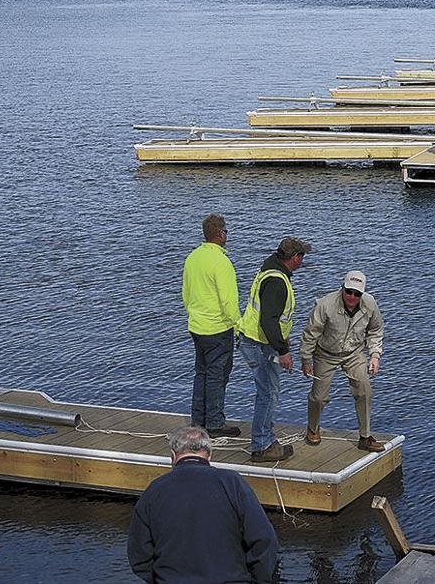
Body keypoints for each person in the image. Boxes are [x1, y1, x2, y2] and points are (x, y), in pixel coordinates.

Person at [127, 425, 278, 584]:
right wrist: (258, 579)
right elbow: (264, 539)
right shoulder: (232, 483)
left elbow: (139, 555)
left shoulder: (155, 490)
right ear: (209, 455)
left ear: (173, 455)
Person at [237, 236, 310, 463]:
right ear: (294, 258)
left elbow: (273, 317)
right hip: (259, 343)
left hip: (255, 339)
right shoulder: (277, 282)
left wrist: (282, 337)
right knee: (268, 393)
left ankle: (265, 440)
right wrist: (282, 351)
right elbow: (268, 320)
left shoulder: (270, 269)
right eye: (301, 257)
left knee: (267, 392)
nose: (302, 262)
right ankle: (262, 446)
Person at [299, 270, 386, 452]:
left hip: (353, 352)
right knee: (319, 397)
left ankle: (365, 437)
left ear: (362, 294)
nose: (352, 297)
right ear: (342, 288)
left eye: (357, 294)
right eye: (349, 292)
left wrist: (375, 355)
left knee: (364, 390)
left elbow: (376, 330)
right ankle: (312, 429)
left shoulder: (370, 305)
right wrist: (306, 359)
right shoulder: (325, 305)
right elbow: (310, 333)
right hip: (325, 353)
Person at [182, 214, 242, 438]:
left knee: (201, 373)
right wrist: (239, 325)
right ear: (221, 234)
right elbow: (229, 301)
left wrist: (194, 314)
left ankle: (198, 420)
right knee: (217, 375)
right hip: (218, 327)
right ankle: (215, 422)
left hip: (196, 326)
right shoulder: (222, 262)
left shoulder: (192, 258)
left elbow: (186, 295)